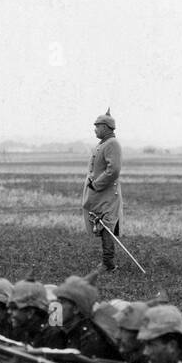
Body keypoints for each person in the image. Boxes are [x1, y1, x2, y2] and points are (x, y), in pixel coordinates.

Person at [82, 107, 123, 271]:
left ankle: (108, 263)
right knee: (102, 224)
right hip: (100, 194)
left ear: (105, 127)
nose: (95, 129)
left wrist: (96, 184)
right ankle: (107, 262)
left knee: (107, 225)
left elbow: (114, 170)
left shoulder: (112, 144)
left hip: (107, 193)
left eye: (97, 126)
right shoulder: (104, 143)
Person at [9, 280, 64, 347]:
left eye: (14, 308)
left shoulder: (52, 336)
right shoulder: (21, 329)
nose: (9, 311)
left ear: (30, 312)